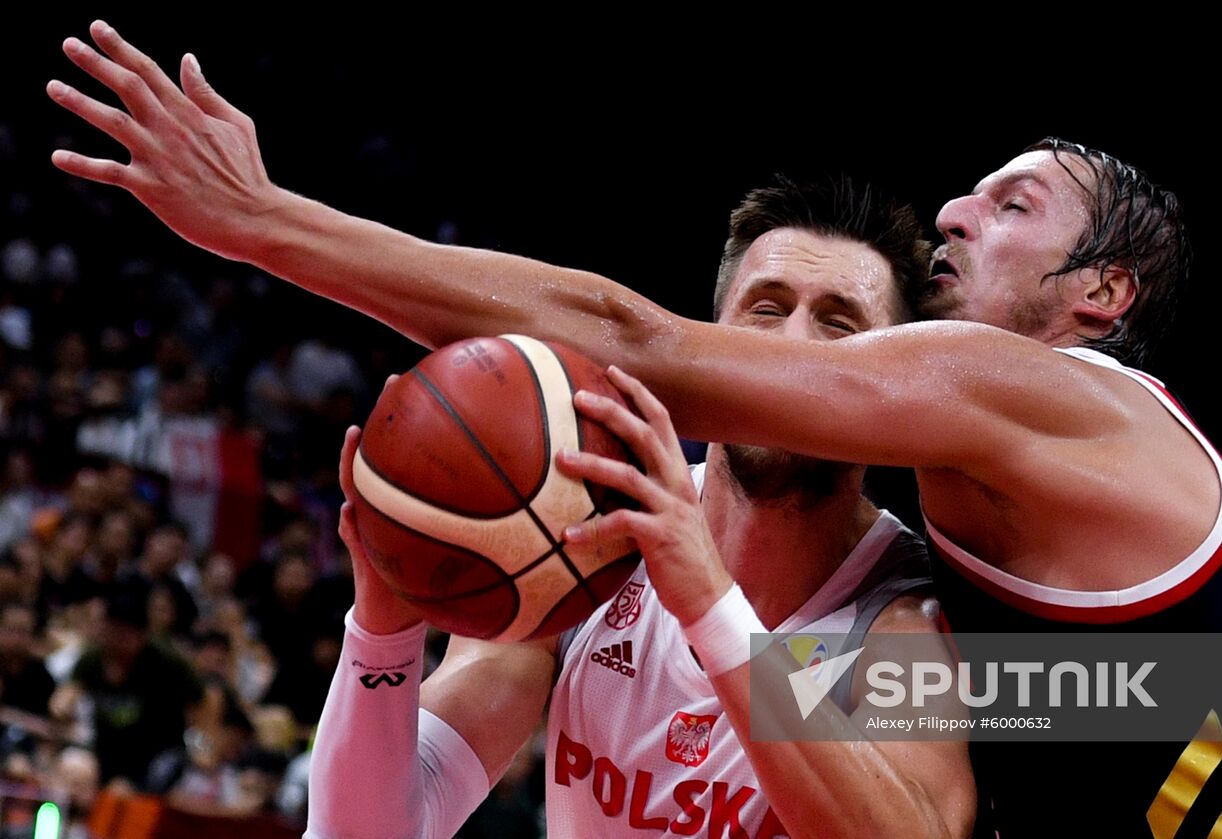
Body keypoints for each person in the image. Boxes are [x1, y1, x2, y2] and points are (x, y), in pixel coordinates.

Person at [46, 22, 1222, 836]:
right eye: (763, 308)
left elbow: (635, 344)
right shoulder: (623, 571)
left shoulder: (1031, 432)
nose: (956, 221)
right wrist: (388, 620)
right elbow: (366, 828)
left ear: (1104, 296)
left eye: (1014, 205)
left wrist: (264, 222)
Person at [303, 175, 974, 838]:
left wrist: (711, 606)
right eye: (766, 309)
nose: (791, 348)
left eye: (839, 323)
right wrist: (384, 625)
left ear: (890, 389)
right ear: (711, 346)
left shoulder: (910, 616)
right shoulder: (585, 538)